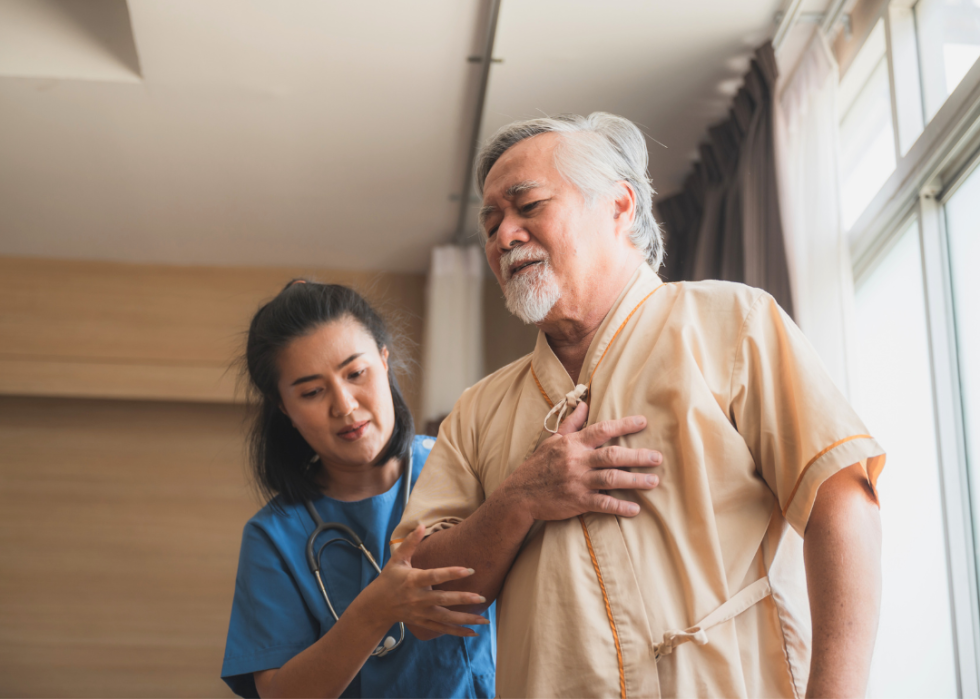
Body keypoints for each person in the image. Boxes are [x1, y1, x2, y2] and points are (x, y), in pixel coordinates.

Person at [392, 113, 885, 698]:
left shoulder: (734, 324)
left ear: (619, 206)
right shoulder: (477, 412)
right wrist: (520, 499)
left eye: (528, 206)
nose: (504, 235)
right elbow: (420, 593)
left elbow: (842, 503)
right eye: (492, 220)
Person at [221, 280, 496, 699]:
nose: (345, 405)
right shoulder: (274, 537)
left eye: (356, 373)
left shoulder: (466, 467)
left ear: (384, 362)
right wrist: (376, 609)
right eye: (312, 391)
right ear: (284, 408)